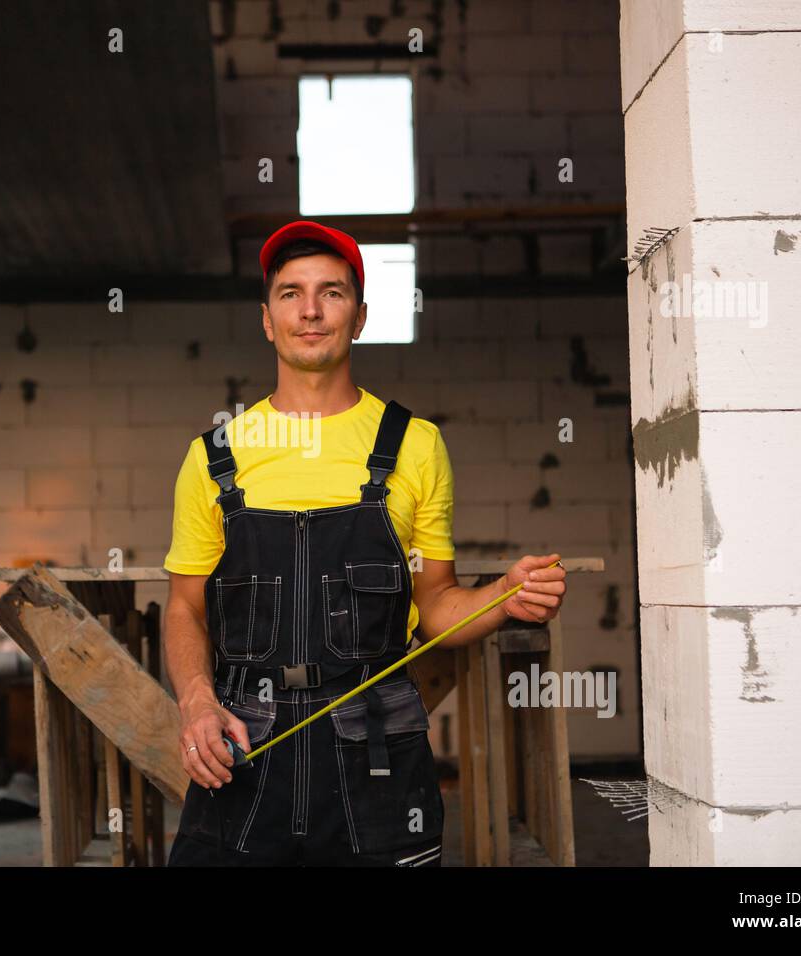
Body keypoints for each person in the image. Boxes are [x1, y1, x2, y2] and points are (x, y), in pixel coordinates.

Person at [161, 220, 566, 866]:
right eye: (290, 293)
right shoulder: (214, 457)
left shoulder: (415, 445)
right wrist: (196, 701)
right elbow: (184, 607)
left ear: (361, 315)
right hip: (245, 750)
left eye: (332, 292)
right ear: (267, 319)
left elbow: (435, 604)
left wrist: (505, 597)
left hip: (377, 757)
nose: (311, 310)